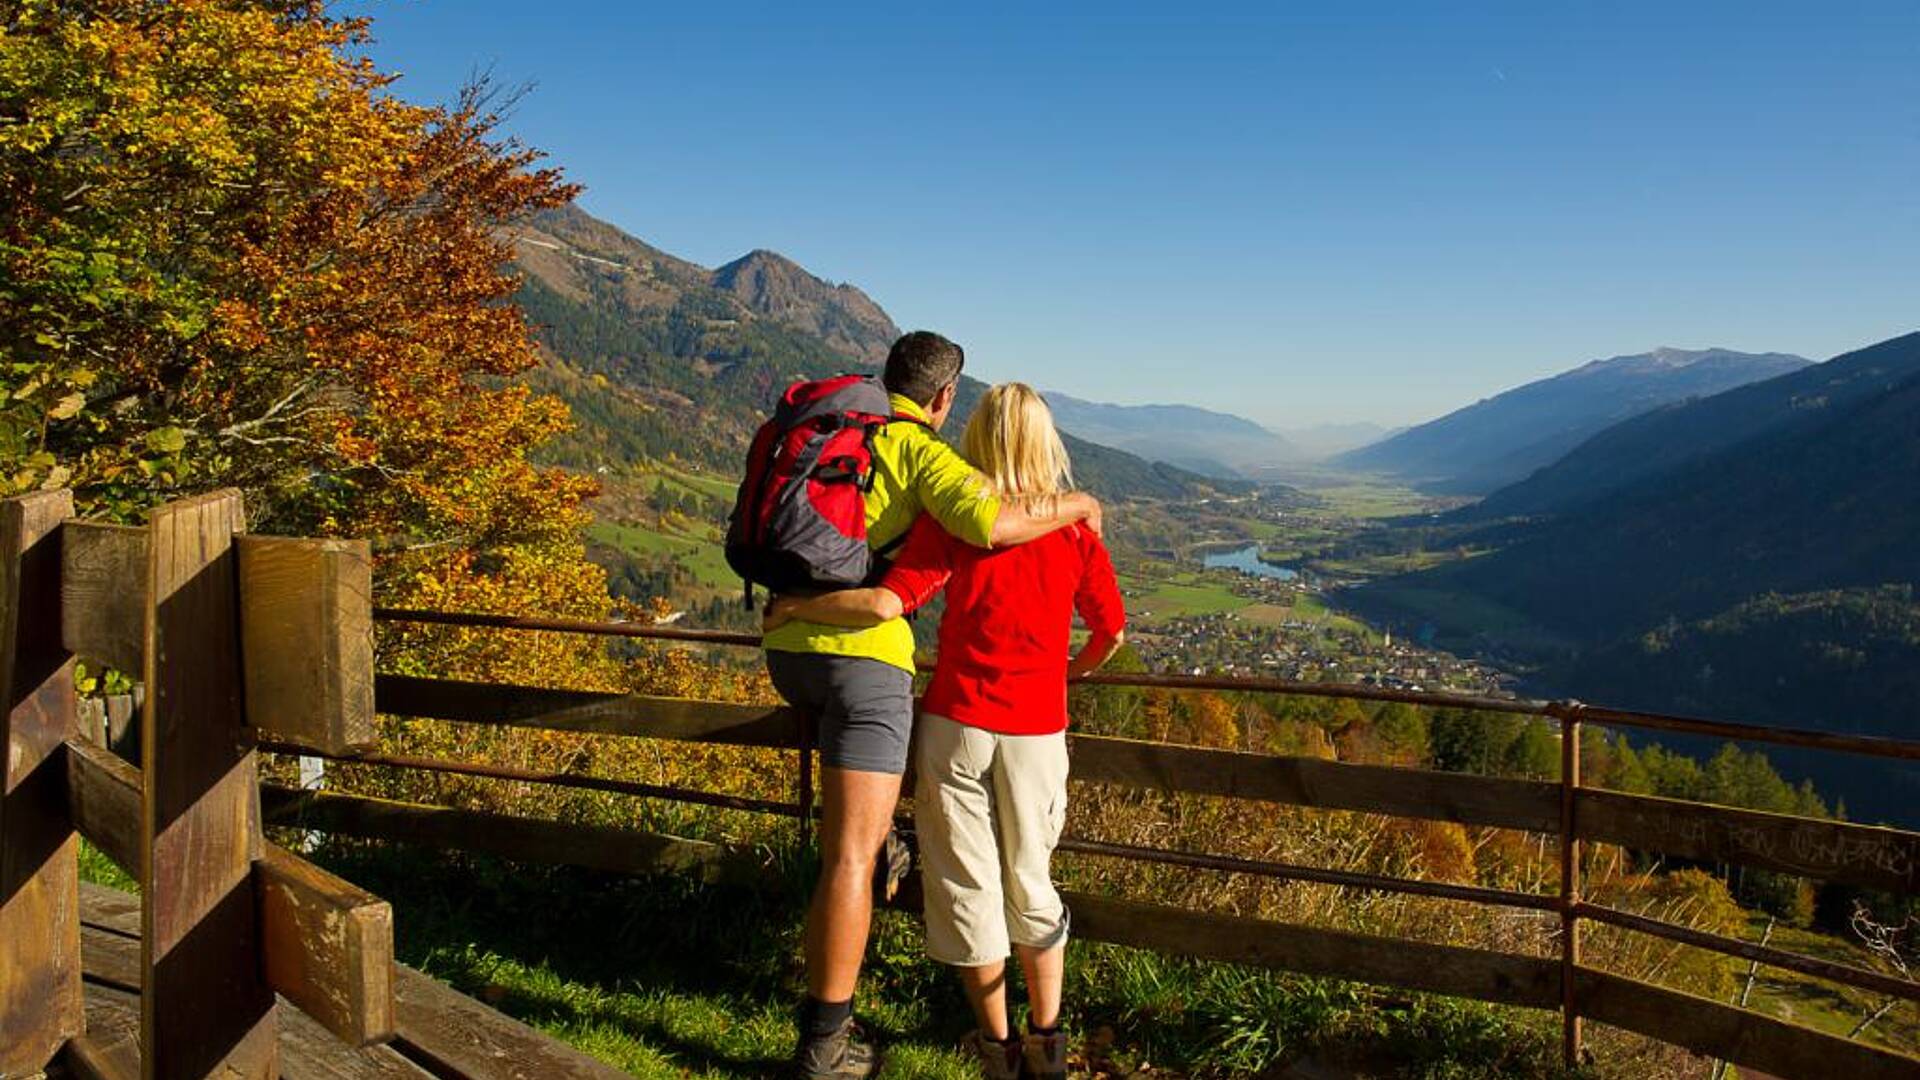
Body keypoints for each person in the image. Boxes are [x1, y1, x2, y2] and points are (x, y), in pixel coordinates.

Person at [762, 334, 1104, 1079]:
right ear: (943, 399)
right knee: (1009, 878)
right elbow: (1099, 616)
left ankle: (997, 1049)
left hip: (896, 699)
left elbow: (894, 591)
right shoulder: (1032, 515)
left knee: (967, 885)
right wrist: (1078, 505)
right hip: (1003, 714)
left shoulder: (881, 463)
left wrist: (791, 609)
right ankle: (1043, 1046)